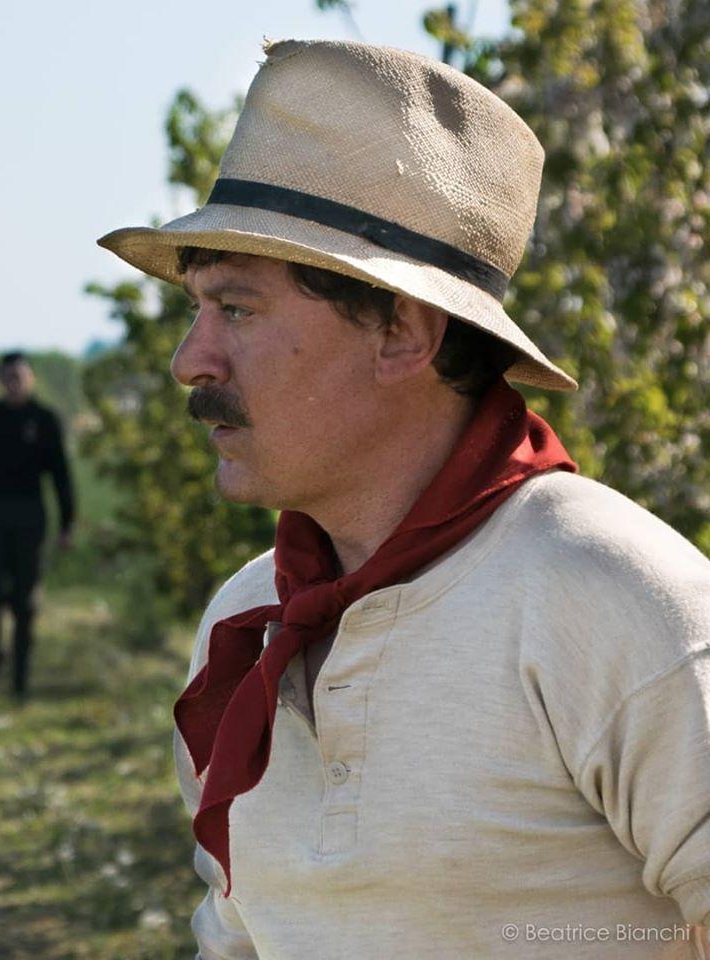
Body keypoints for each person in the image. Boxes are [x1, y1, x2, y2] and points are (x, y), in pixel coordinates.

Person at [97, 40, 710, 958]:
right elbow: (241, 937)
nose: (192, 360)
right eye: (198, 309)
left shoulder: (612, 598)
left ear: (401, 331)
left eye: (238, 309)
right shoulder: (245, 620)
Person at [0, 351, 75, 697]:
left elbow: (61, 476)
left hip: (30, 515)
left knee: (25, 601)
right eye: (8, 377)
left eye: (19, 377)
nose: (14, 383)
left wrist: (67, 524)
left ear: (31, 379)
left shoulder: (45, 419)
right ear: (0, 380)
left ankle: (20, 681)